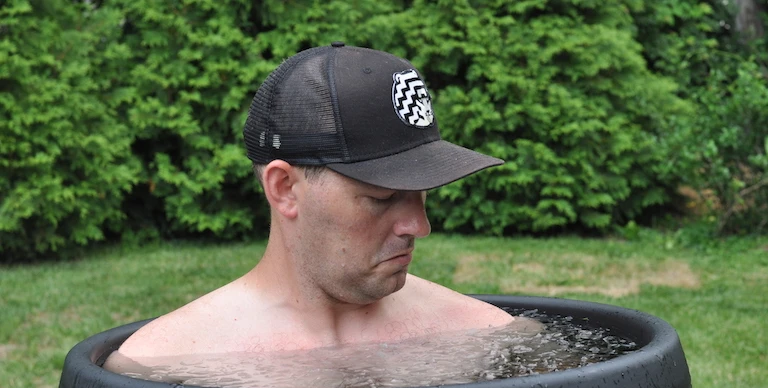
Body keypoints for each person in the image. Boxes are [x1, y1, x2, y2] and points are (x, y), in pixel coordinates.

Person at [113, 43, 513, 367]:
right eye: (383, 196)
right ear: (285, 188)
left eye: (421, 191)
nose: (419, 226)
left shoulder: (486, 336)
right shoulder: (163, 365)